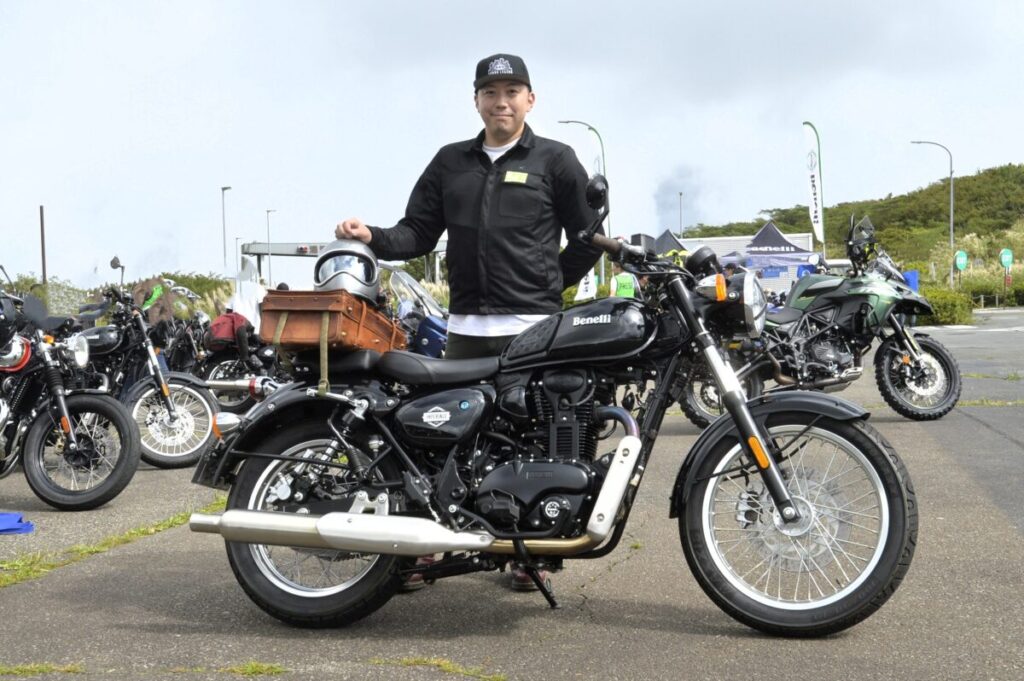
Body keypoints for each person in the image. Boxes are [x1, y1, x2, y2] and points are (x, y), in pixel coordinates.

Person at [335, 53, 603, 592]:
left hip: (534, 329)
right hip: (465, 331)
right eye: (491, 92)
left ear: (530, 99)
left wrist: (552, 283)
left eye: (512, 92)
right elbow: (417, 233)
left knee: (536, 442)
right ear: (476, 99)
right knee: (443, 441)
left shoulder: (556, 159)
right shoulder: (450, 162)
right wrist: (372, 236)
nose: (501, 102)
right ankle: (431, 543)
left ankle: (532, 554)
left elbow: (588, 236)